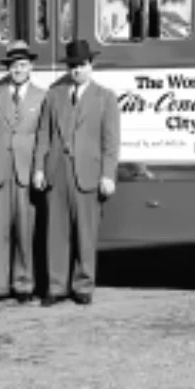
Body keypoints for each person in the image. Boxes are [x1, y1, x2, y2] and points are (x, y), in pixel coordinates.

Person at [32, 39, 121, 306]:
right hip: (57, 172)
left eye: (81, 65)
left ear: (90, 65)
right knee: (56, 232)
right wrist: (38, 168)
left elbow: (111, 141)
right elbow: (43, 135)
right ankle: (57, 286)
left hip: (88, 173)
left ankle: (83, 285)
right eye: (72, 65)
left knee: (86, 232)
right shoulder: (54, 94)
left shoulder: (106, 98)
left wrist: (108, 174)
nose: (76, 70)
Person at [0, 39, 49, 306]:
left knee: (25, 230)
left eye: (22, 65)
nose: (18, 69)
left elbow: (44, 136)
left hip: (26, 172)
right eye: (13, 65)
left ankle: (24, 283)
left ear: (30, 67)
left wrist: (37, 168)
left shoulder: (42, 97)